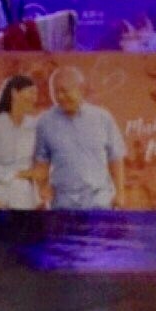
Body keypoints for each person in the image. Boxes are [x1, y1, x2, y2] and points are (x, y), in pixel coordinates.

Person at [34, 65, 129, 210]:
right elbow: (41, 161)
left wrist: (120, 193)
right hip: (62, 203)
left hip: (99, 201)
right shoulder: (45, 122)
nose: (59, 97)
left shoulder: (102, 118)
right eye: (55, 92)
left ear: (81, 89)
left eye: (64, 91)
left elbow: (115, 157)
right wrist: (42, 188)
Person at [0, 74, 50, 210]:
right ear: (15, 93)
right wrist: (23, 174)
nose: (35, 98)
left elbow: (41, 167)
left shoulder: (35, 126)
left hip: (26, 196)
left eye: (36, 94)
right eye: (31, 92)